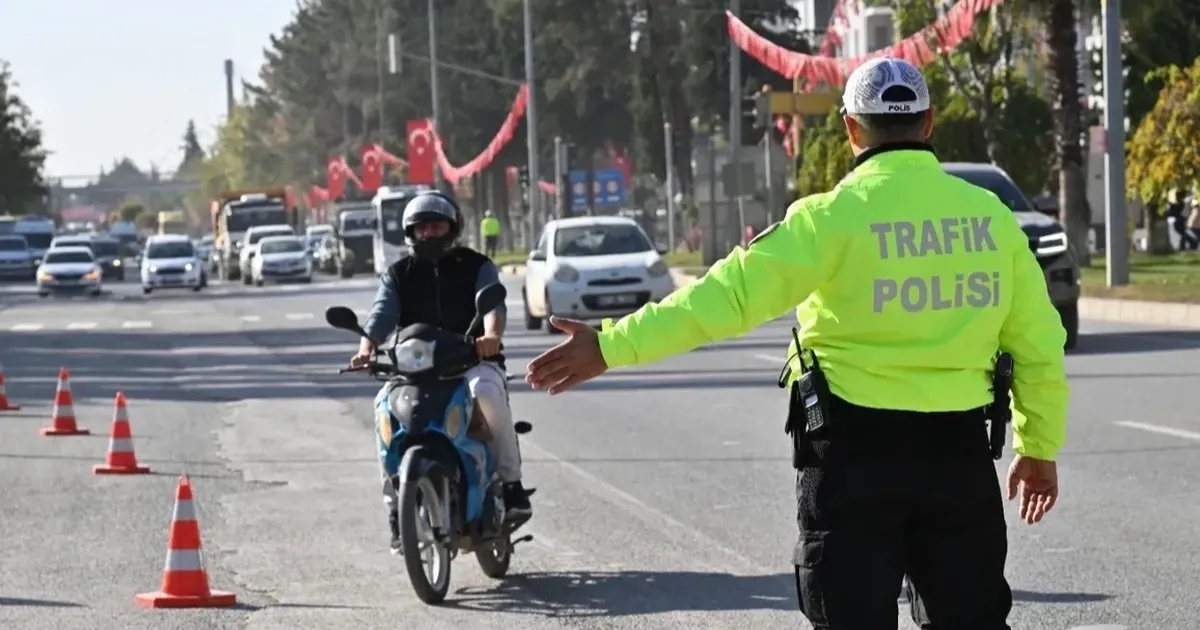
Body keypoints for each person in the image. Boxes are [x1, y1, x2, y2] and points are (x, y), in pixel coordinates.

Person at [525, 57, 1068, 630]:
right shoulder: (991, 219)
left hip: (853, 459)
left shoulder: (827, 220)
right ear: (929, 122)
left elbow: (724, 298)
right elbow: (1038, 344)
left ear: (851, 128)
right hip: (958, 458)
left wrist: (611, 345)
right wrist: (1038, 447)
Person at [353, 191, 532, 554]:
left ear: (453, 229)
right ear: (411, 233)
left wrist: (491, 337)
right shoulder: (399, 274)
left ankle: (512, 486)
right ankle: (396, 509)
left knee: (487, 393)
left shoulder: (476, 265)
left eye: (437, 226)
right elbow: (381, 315)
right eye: (422, 228)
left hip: (472, 363)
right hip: (415, 371)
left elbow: (493, 304)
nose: (430, 234)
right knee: (383, 408)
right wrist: (366, 349)